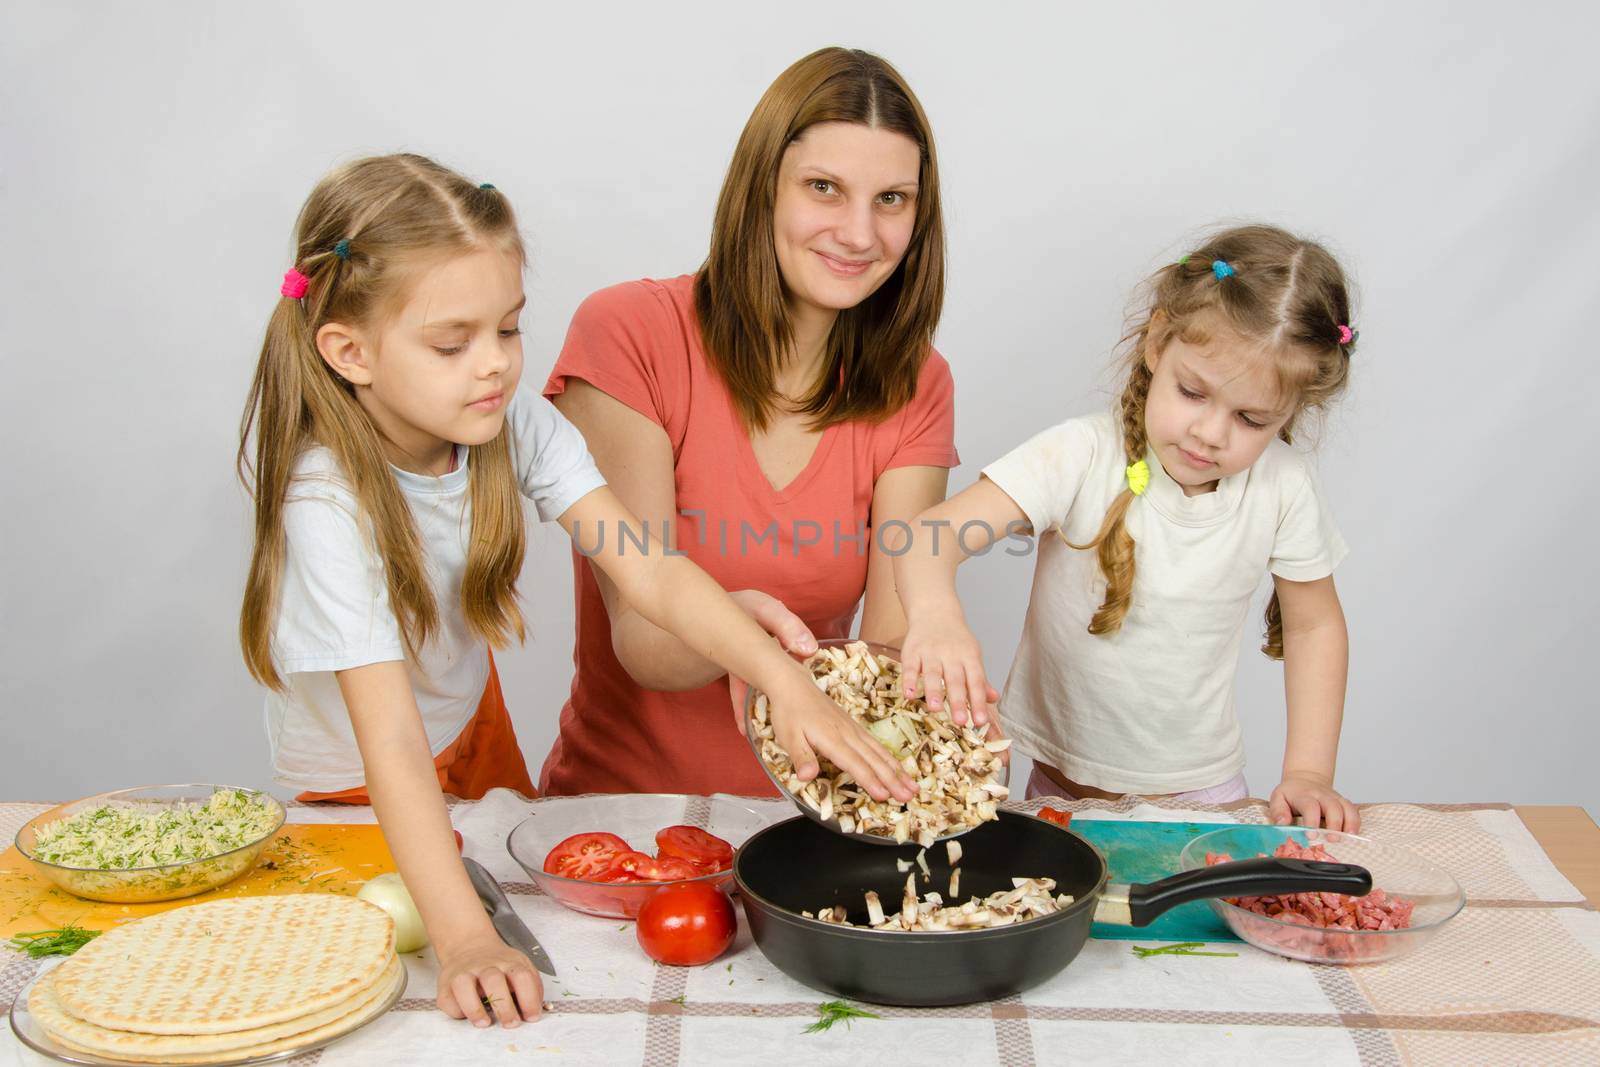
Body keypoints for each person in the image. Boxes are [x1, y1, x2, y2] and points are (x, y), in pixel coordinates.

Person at [237, 154, 912, 1029]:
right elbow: (390, 743)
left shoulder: (503, 420)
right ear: (349, 351)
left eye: (508, 330)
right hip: (353, 778)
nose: (495, 366)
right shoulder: (324, 505)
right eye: (453, 342)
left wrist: (784, 678)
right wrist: (466, 940)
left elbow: (651, 568)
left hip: (467, 730)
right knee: (385, 978)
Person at [539, 47, 972, 796]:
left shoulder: (918, 384)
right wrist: (742, 630)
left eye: (892, 199)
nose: (860, 233)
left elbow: (889, 639)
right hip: (626, 823)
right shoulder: (629, 333)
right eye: (824, 188)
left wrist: (936, 672)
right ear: (762, 187)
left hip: (809, 823)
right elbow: (646, 640)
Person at [893, 224, 1363, 831]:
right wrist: (935, 618)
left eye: (1250, 418)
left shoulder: (1284, 486)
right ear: (1157, 343)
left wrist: (1310, 772)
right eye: (1193, 392)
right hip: (1054, 794)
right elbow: (926, 537)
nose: (1211, 433)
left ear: (1292, 411)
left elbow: (1315, 625)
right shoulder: (1081, 454)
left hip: (1202, 801)